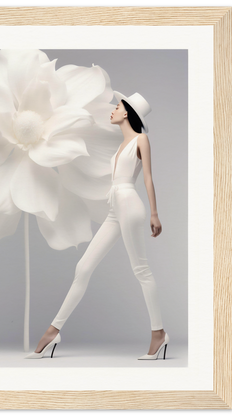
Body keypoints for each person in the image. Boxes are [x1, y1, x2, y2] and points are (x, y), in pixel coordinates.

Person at [24, 91, 170, 360]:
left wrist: (155, 213)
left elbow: (148, 178)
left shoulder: (141, 140)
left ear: (127, 113)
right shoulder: (120, 145)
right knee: (83, 267)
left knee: (141, 269)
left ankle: (158, 333)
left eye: (117, 107)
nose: (112, 111)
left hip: (129, 204)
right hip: (115, 206)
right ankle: (54, 330)